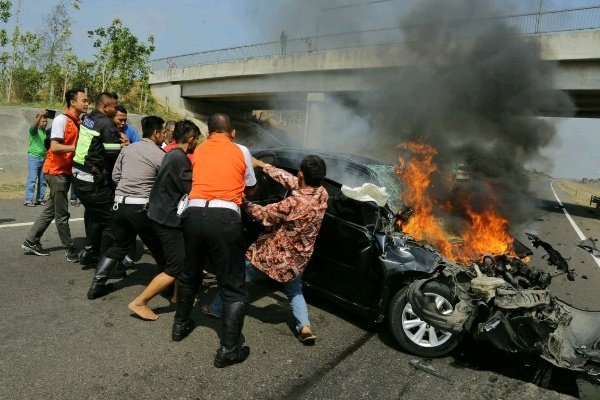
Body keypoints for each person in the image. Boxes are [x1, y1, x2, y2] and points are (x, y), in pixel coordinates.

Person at [203, 155, 328, 343]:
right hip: (298, 259)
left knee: (237, 278)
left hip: (272, 257)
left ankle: (216, 309)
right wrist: (263, 166)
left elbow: (262, 214)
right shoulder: (322, 194)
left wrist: (242, 200)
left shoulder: (293, 203)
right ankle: (304, 326)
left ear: (301, 174)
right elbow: (290, 180)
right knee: (295, 291)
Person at [173, 113, 256, 369]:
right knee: (233, 285)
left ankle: (180, 326)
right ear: (232, 133)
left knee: (190, 273)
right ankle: (229, 349)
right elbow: (250, 187)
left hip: (194, 214)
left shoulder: (199, 150)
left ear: (209, 134)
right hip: (225, 217)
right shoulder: (241, 149)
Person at [87, 116, 167, 299]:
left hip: (119, 205)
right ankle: (167, 287)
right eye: (163, 132)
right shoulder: (160, 154)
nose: (164, 136)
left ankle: (97, 285)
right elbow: (164, 184)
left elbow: (116, 177)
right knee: (158, 246)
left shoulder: (128, 149)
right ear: (155, 133)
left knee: (120, 245)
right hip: (141, 208)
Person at [128, 120, 200, 320]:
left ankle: (177, 296)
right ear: (192, 139)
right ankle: (140, 302)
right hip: (167, 220)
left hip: (160, 214)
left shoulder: (172, 154)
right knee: (175, 265)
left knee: (181, 258)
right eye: (197, 140)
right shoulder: (180, 159)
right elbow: (192, 189)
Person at [21, 88, 88, 260]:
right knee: (62, 214)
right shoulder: (61, 120)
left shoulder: (77, 122)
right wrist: (77, 148)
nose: (87, 103)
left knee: (51, 210)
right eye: (84, 100)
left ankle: (31, 240)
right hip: (56, 172)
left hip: (65, 171)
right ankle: (69, 249)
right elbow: (55, 147)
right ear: (72, 102)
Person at [73, 92, 128, 266]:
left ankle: (89, 251)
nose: (115, 109)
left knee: (96, 215)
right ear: (105, 107)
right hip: (91, 178)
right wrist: (124, 146)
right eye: (113, 106)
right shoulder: (106, 123)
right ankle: (107, 262)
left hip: (79, 174)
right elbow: (112, 152)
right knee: (112, 219)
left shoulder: (89, 118)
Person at [24, 110, 49, 207]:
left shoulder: (45, 132)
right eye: (43, 121)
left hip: (44, 158)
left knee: (43, 180)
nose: (45, 123)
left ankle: (40, 198)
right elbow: (34, 126)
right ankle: (29, 199)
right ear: (38, 121)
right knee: (32, 179)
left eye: (46, 121)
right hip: (34, 158)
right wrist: (41, 115)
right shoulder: (34, 131)